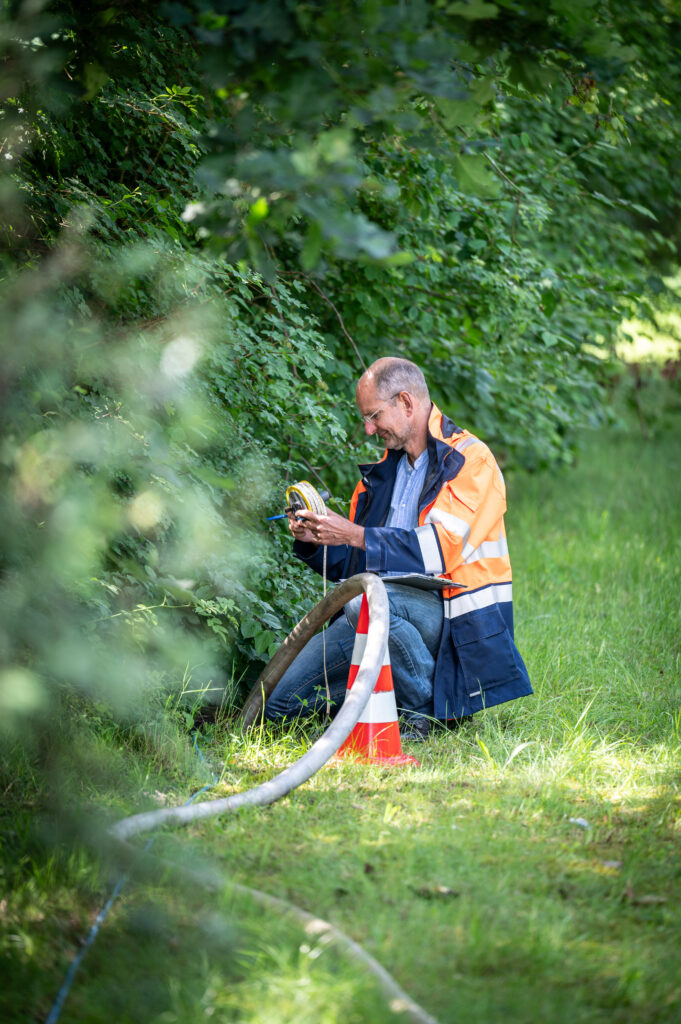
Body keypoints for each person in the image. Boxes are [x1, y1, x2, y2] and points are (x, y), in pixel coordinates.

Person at [265, 357, 532, 738]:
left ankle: (433, 710)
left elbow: (439, 549)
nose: (369, 429)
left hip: (452, 620)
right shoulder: (381, 476)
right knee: (279, 705)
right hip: (377, 614)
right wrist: (316, 541)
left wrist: (354, 533)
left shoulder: (471, 462)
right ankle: (391, 707)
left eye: (373, 415)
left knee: (368, 601)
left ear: (406, 403)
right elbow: (356, 564)